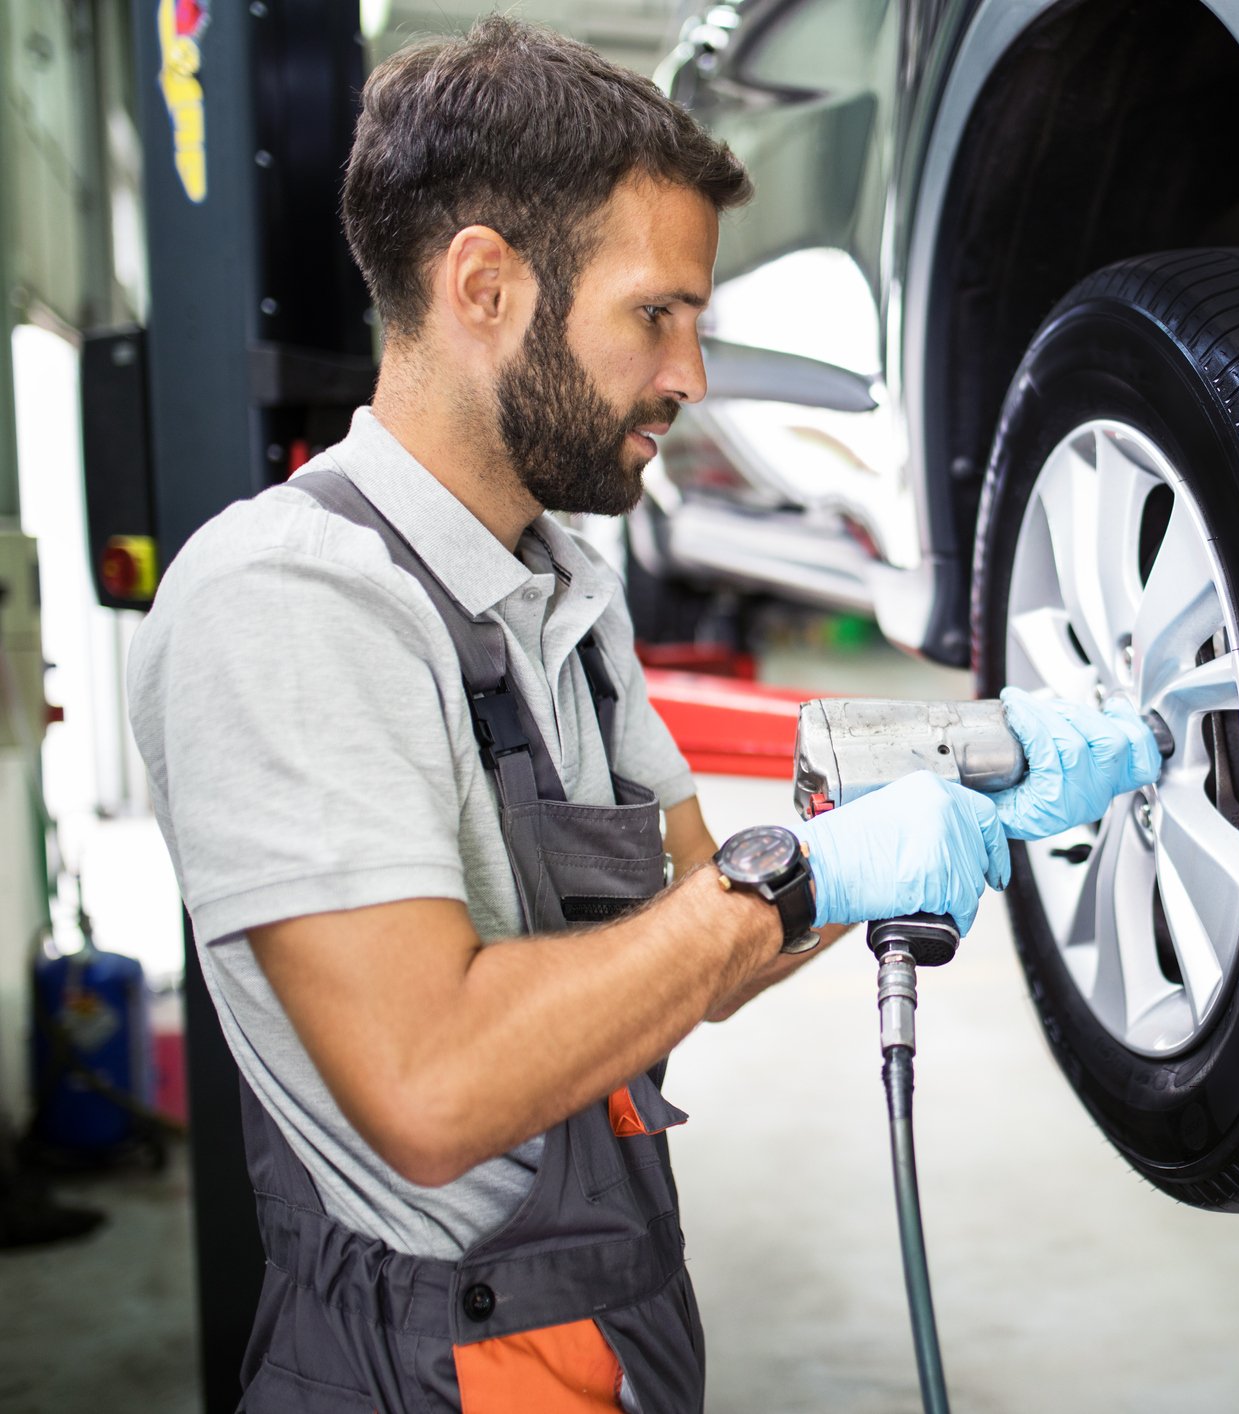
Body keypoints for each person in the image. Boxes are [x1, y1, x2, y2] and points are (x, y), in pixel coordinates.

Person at [126, 18, 1158, 1411]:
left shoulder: (565, 584)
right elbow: (429, 1085)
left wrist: (943, 797)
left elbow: (706, 930)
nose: (691, 376)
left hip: (621, 1324)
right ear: (484, 284)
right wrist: (815, 873)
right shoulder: (287, 600)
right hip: (426, 1364)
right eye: (654, 315)